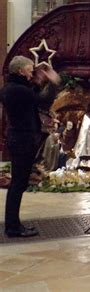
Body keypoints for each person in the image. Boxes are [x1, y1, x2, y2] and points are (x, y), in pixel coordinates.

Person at [0, 56, 60, 237]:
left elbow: (31, 96)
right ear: (20, 71)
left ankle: (14, 223)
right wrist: (53, 82)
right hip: (22, 139)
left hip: (19, 138)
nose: (32, 71)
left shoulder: (12, 88)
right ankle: (12, 227)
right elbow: (42, 100)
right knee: (18, 183)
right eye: (29, 68)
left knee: (18, 182)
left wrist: (39, 82)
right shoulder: (17, 90)